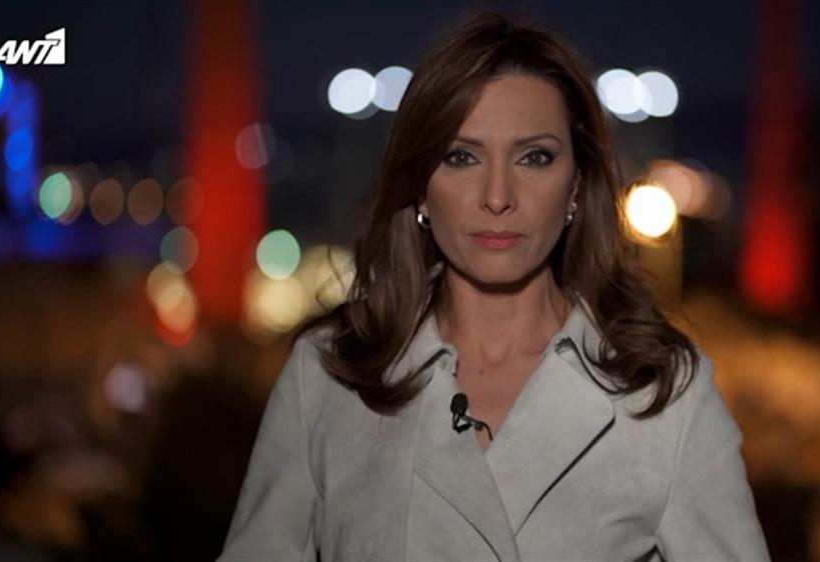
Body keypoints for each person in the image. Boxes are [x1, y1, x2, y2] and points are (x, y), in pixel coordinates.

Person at [218, 11, 770, 562]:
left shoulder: (662, 391)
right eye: (461, 157)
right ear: (420, 188)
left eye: (534, 157)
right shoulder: (329, 374)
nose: (498, 196)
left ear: (576, 185)